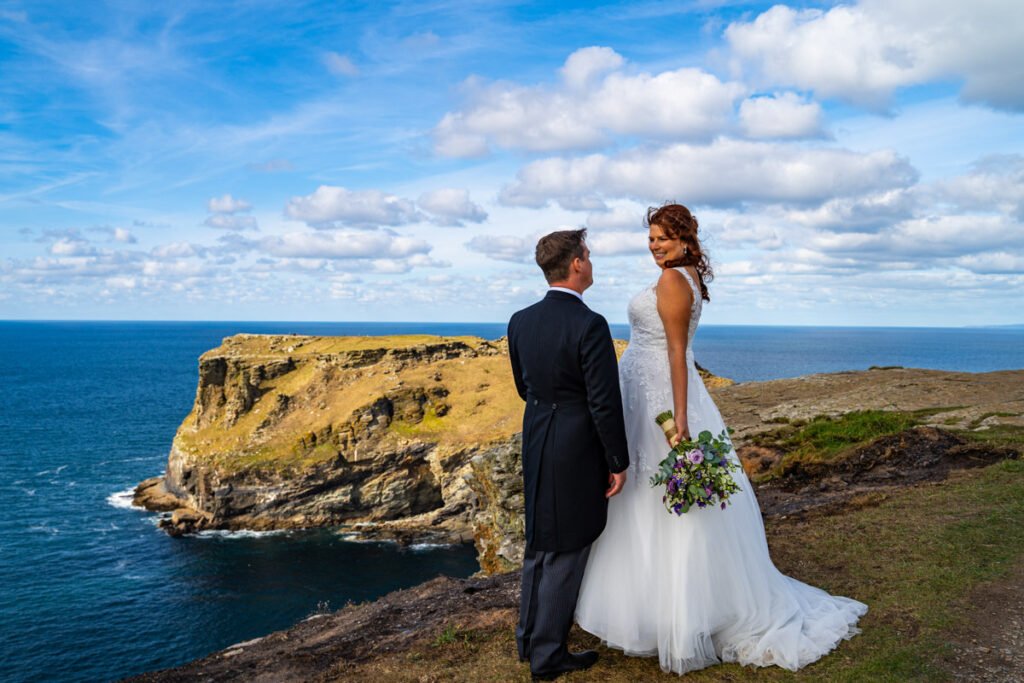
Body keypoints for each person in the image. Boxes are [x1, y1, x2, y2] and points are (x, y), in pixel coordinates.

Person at [575, 203, 868, 675]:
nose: (655, 247)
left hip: (658, 401)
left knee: (659, 501)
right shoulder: (687, 275)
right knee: (660, 503)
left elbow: (675, 352)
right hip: (654, 393)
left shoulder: (673, 280)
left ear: (686, 239)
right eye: (650, 239)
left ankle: (668, 612)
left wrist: (678, 420)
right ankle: (671, 605)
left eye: (663, 238)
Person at [507, 228, 631, 681]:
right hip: (575, 445)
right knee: (567, 547)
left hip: (537, 434)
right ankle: (548, 656)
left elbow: (524, 387)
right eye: (589, 254)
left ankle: (528, 638)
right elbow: (603, 401)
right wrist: (617, 461)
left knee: (540, 541)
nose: (592, 261)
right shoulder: (589, 324)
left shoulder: (520, 320)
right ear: (576, 263)